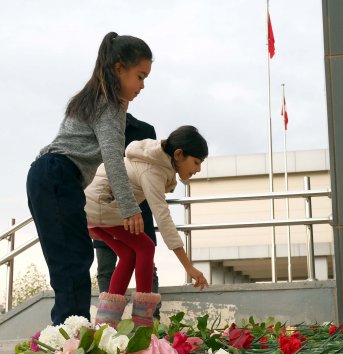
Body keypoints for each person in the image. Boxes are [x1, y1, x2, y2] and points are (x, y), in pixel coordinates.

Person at [27, 32, 152, 325]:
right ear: (119, 68)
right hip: (58, 174)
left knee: (70, 259)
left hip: (48, 175)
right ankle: (72, 337)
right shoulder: (109, 105)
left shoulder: (91, 99)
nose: (142, 86)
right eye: (140, 76)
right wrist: (129, 207)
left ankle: (68, 335)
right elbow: (112, 158)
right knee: (73, 260)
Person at [86, 126, 210, 328]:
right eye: (196, 162)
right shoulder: (153, 169)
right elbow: (162, 215)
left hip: (93, 207)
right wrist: (188, 266)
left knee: (128, 255)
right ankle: (142, 324)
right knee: (145, 247)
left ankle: (106, 325)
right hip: (102, 203)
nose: (198, 169)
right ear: (178, 154)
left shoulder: (155, 161)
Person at [94, 112, 162, 320]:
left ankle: (150, 322)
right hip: (102, 210)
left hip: (137, 213)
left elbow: (151, 168)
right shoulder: (95, 127)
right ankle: (107, 328)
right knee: (106, 268)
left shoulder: (145, 130)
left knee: (147, 264)